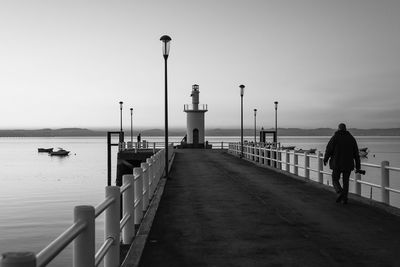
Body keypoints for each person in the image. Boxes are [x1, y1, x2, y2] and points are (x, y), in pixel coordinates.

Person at [324, 123, 361, 204]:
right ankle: (345, 199)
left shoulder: (335, 137)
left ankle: (340, 192)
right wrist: (358, 166)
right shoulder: (351, 138)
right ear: (345, 129)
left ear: (338, 128)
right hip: (348, 164)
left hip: (337, 164)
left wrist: (325, 159)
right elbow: (356, 154)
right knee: (346, 181)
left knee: (335, 179)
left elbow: (329, 149)